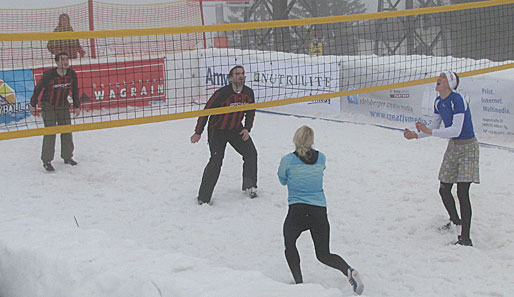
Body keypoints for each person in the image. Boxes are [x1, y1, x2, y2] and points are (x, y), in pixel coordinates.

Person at [277, 125, 364, 295]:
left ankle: (299, 283)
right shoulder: (321, 158)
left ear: (295, 139)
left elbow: (282, 180)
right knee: (323, 254)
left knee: (289, 244)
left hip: (297, 211)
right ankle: (348, 270)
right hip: (319, 211)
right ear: (312, 141)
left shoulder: (288, 159)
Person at [404, 71, 479, 246]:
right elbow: (433, 127)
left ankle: (465, 239)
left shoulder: (457, 100)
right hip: (453, 147)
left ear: (450, 83)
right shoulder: (438, 101)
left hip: (468, 147)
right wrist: (416, 134)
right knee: (444, 188)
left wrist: (429, 131)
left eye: (443, 77)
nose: (439, 78)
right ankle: (455, 221)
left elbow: (456, 130)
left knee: (462, 192)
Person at [190, 65, 258, 205]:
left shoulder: (248, 93)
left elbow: (250, 112)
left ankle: (249, 187)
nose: (240, 76)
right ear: (230, 77)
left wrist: (247, 129)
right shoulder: (221, 94)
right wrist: (198, 132)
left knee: (251, 153)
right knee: (216, 161)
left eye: (242, 73)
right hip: (217, 130)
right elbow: (206, 112)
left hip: (236, 130)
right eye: (237, 73)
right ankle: (203, 198)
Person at [30, 52, 81, 172]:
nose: (66, 61)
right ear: (57, 62)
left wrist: (76, 106)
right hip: (48, 105)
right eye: (62, 59)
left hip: (63, 105)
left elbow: (74, 90)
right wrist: (33, 104)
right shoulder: (49, 75)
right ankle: (47, 160)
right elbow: (38, 89)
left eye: (67, 59)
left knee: (67, 130)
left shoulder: (72, 74)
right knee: (50, 132)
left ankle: (67, 157)